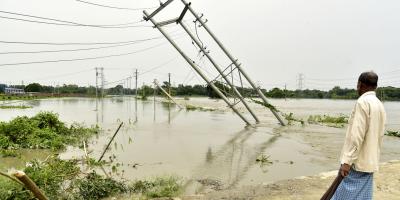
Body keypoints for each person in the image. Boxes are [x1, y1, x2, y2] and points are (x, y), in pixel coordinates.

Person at [331, 71, 386, 200]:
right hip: (370, 162)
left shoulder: (362, 103)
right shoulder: (379, 104)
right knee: (362, 197)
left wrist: (347, 161)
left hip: (357, 163)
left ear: (360, 85)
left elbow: (357, 135)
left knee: (342, 195)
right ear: (375, 86)